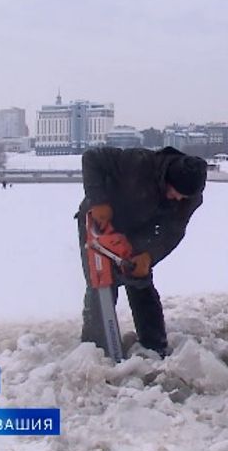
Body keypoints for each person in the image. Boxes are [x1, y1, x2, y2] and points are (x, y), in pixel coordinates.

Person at [76, 145, 207, 359]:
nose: (178, 199)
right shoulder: (138, 163)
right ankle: (96, 351)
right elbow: (91, 158)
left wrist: (149, 255)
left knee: (140, 281)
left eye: (184, 197)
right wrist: (98, 201)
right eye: (176, 192)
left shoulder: (189, 197)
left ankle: (154, 346)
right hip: (101, 222)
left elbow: (173, 232)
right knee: (101, 285)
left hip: (141, 231)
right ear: (167, 180)